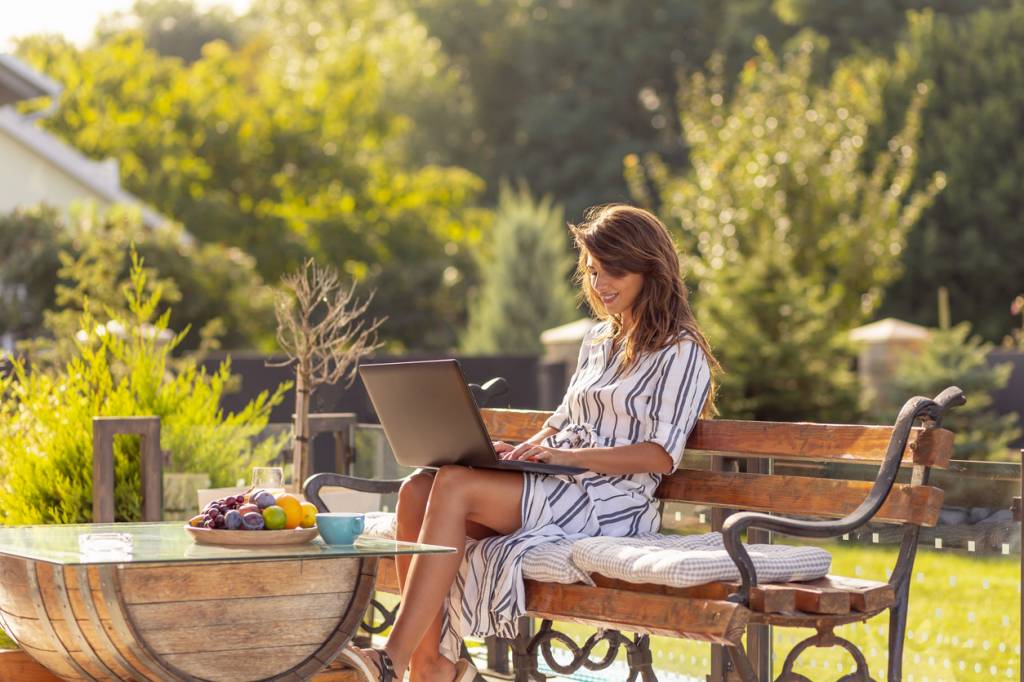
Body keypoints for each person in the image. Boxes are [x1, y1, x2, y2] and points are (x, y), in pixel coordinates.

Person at [343, 204, 719, 682]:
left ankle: (391, 658)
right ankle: (429, 665)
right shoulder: (600, 339)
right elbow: (563, 419)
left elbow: (661, 456)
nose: (600, 285)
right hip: (560, 484)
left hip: (612, 504)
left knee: (455, 486)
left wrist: (566, 457)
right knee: (419, 487)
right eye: (592, 271)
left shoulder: (680, 351)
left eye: (614, 273)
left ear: (651, 268)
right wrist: (516, 451)